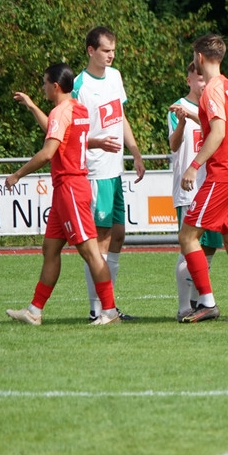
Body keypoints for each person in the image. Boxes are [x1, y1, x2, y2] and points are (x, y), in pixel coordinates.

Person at [6, 63, 120, 326]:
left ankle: (110, 312)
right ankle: (34, 311)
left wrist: (17, 174)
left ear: (55, 86)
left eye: (45, 83)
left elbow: (48, 152)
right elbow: (60, 133)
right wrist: (32, 106)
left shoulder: (60, 112)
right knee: (50, 249)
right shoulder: (78, 108)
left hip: (70, 188)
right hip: (66, 189)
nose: (43, 87)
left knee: (90, 252)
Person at [177, 34, 228, 323]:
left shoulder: (211, 90)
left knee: (187, 236)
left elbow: (219, 132)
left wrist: (194, 166)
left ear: (199, 57)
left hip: (223, 174)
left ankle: (207, 302)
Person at [72, 26, 146, 320]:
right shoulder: (79, 86)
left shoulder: (114, 77)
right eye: (105, 50)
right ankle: (98, 309)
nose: (111, 55)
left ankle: (109, 305)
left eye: (113, 50)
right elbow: (72, 132)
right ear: (91, 51)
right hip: (95, 172)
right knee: (99, 240)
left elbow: (120, 116)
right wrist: (97, 143)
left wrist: (135, 152)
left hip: (115, 171)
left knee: (117, 236)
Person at [168, 60, 223, 321]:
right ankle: (183, 307)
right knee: (188, 245)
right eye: (198, 78)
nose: (203, 83)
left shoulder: (213, 105)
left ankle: (201, 302)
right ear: (189, 80)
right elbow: (173, 144)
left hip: (213, 186)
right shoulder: (179, 107)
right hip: (189, 189)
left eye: (205, 78)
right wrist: (182, 121)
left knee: (209, 248)